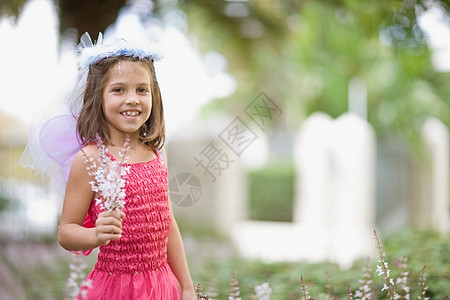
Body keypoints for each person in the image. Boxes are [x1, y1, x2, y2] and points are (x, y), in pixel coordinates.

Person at [22, 32, 196, 300]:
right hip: (116, 288)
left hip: (162, 286)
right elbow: (67, 231)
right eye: (118, 89)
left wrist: (185, 286)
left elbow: (168, 224)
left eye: (142, 89)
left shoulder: (156, 152)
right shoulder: (91, 158)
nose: (133, 99)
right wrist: (95, 235)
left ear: (154, 95)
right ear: (98, 97)